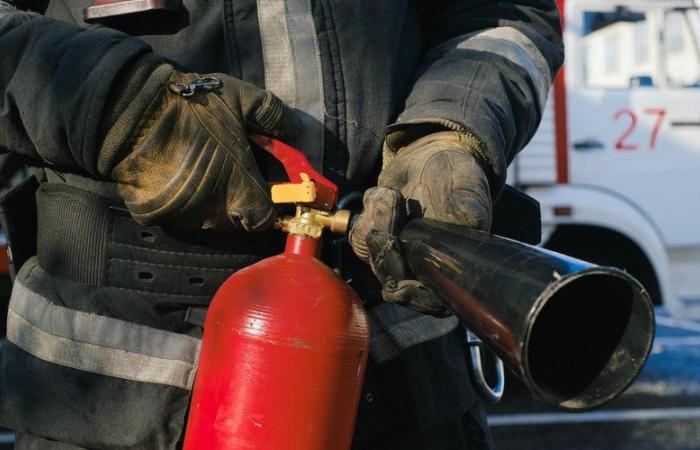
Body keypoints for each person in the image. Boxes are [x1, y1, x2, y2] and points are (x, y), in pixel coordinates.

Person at [0, 0, 563, 448]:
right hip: (109, 406)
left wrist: (451, 130)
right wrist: (120, 108)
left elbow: (501, 15)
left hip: (406, 394)